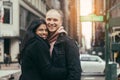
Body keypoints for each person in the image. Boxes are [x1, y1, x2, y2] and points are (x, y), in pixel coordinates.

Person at [46, 9, 82, 80]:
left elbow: (75, 71)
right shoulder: (43, 41)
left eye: (55, 20)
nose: (51, 22)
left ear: (61, 22)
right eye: (49, 19)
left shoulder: (68, 42)